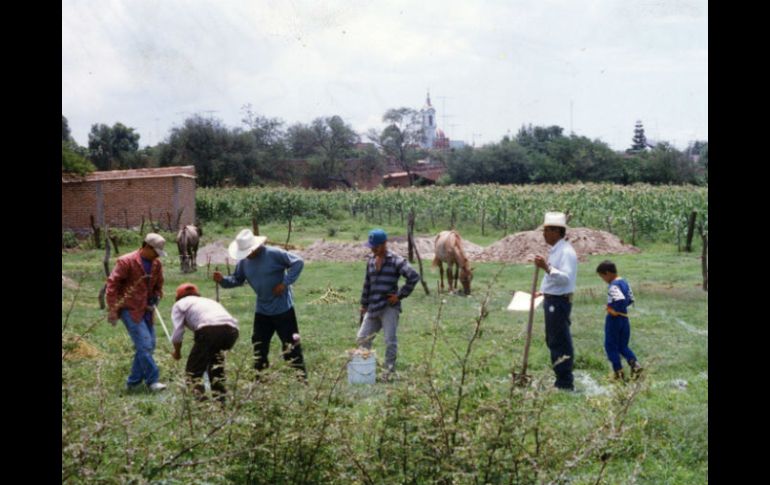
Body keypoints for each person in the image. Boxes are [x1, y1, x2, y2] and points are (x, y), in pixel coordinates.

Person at [213, 229, 307, 380]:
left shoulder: (274, 254)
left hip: (283, 309)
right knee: (259, 346)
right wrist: (223, 280)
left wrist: (284, 284)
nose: (247, 255)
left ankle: (301, 379)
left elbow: (298, 262)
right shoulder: (244, 262)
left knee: (291, 345)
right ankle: (260, 379)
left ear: (256, 247)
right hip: (262, 310)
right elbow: (237, 279)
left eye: (249, 252)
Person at [106, 233, 168, 392]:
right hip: (130, 309)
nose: (157, 256)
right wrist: (113, 309)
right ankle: (153, 381)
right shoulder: (126, 261)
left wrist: (156, 297)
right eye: (155, 252)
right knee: (145, 345)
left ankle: (133, 383)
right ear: (147, 247)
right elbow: (112, 285)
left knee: (149, 345)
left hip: (147, 310)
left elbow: (158, 285)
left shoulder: (156, 264)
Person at [357, 228, 420, 382]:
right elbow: (367, 284)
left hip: (388, 307)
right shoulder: (371, 261)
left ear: (384, 244)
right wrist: (364, 305)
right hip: (373, 307)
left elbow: (413, 276)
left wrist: (399, 296)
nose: (373, 249)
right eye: (371, 246)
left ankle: (388, 371)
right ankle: (365, 371)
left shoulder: (396, 261)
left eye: (376, 246)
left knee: (389, 341)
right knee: (362, 338)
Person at [171, 283, 240, 402]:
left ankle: (202, 406)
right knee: (216, 369)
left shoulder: (179, 304)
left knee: (192, 374)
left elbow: (178, 333)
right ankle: (221, 404)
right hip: (231, 331)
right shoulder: (208, 301)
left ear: (178, 297)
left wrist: (177, 352)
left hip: (209, 330)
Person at [534, 212, 578, 391]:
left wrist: (546, 267)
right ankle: (561, 379)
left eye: (547, 231)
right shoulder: (556, 250)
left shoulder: (566, 252)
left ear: (557, 231)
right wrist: (543, 292)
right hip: (553, 299)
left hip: (559, 303)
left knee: (559, 341)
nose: (544, 234)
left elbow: (565, 279)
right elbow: (554, 279)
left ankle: (564, 383)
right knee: (553, 339)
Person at [596, 260, 643, 381]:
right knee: (623, 346)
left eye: (602, 277)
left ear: (607, 273)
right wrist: (621, 308)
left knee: (610, 346)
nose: (603, 280)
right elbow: (630, 299)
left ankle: (618, 373)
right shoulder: (624, 282)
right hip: (624, 318)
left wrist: (614, 310)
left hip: (614, 320)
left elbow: (620, 299)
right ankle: (635, 365)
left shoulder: (613, 285)